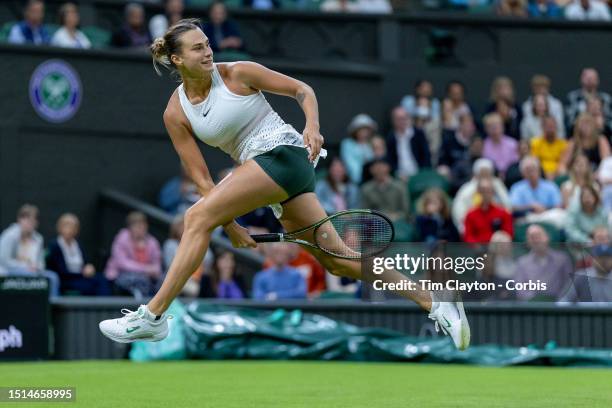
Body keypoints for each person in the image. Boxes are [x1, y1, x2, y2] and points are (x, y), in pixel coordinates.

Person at [99, 19, 470, 350]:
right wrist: (230, 224)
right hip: (271, 175)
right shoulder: (175, 112)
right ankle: (435, 302)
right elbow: (200, 177)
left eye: (208, 44)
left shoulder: (237, 72)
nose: (208, 52)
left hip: (285, 154)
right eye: (198, 48)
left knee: (195, 218)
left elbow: (302, 90)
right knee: (338, 261)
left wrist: (312, 126)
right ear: (177, 60)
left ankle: (153, 317)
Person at [0, 204, 60, 298]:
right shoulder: (9, 235)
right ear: (19, 220)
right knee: (30, 275)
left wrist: (38, 267)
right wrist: (25, 267)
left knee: (53, 277)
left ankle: (51, 308)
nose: (30, 223)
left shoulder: (38, 238)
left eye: (33, 220)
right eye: (27, 220)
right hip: (9, 271)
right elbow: (4, 261)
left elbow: (40, 262)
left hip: (34, 271)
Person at [46, 213, 111, 296]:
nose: (70, 230)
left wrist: (89, 267)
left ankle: (105, 307)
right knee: (90, 286)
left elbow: (85, 261)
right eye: (67, 226)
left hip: (82, 277)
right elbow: (61, 271)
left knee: (102, 279)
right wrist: (82, 273)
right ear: (60, 227)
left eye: (73, 227)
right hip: (66, 280)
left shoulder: (78, 244)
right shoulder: (54, 246)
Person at [104, 212, 162, 298]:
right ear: (130, 227)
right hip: (121, 275)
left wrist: (153, 271)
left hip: (148, 277)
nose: (141, 228)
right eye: (137, 226)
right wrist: (146, 269)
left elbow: (157, 266)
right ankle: (143, 306)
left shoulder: (152, 241)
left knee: (163, 280)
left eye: (143, 225)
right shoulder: (121, 238)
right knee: (141, 280)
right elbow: (122, 264)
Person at [452, 158, 511, 235]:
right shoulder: (466, 189)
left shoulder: (498, 185)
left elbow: (508, 206)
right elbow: (458, 211)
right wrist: (464, 227)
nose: (485, 175)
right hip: (474, 226)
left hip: (496, 227)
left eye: (487, 172)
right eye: (482, 173)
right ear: (476, 174)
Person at [514, 225, 573, 300]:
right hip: (531, 307)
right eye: (532, 237)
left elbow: (569, 285)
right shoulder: (521, 263)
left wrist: (559, 302)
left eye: (538, 236)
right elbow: (520, 289)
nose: (536, 240)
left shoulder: (562, 259)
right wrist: (535, 301)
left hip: (559, 306)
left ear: (547, 237)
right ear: (527, 242)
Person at [385, 107, 431, 181]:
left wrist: (422, 173)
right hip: (400, 177)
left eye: (404, 118)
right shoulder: (391, 138)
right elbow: (390, 160)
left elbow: (426, 156)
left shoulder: (418, 134)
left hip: (419, 174)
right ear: (393, 121)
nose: (402, 121)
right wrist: (397, 174)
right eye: (398, 119)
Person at [463, 179, 513, 243]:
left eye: (488, 191)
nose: (485, 194)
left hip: (498, 248)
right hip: (478, 250)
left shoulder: (503, 213)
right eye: (482, 191)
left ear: (493, 192)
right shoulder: (470, 214)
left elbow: (508, 234)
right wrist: (476, 246)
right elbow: (468, 236)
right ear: (478, 192)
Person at [340, 113, 376, 183]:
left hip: (372, 182)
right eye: (361, 129)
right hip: (353, 182)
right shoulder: (347, 144)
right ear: (355, 131)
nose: (364, 132)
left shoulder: (373, 144)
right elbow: (350, 164)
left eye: (366, 129)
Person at [529, 115, 568, 180]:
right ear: (542, 127)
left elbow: (563, 162)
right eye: (548, 126)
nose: (550, 129)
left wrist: (554, 173)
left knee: (563, 170)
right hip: (541, 172)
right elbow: (535, 161)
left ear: (556, 127)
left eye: (552, 126)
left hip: (557, 172)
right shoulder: (535, 143)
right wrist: (545, 172)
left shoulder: (563, 144)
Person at [482, 113, 519, 178]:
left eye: (497, 126)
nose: (494, 129)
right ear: (486, 129)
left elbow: (515, 163)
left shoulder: (512, 143)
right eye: (491, 126)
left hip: (511, 176)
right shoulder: (483, 145)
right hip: (491, 177)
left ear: (502, 127)